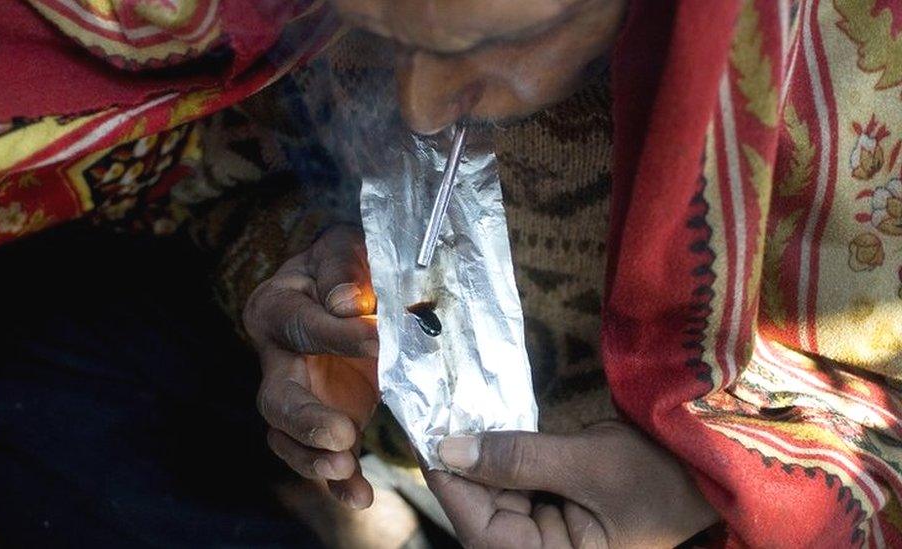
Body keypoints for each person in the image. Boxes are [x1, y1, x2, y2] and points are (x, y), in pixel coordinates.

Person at [238, 0, 902, 546]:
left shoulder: (854, 73)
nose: (419, 108)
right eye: (375, 35)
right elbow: (216, 158)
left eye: (494, 41)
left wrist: (720, 486)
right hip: (398, 471)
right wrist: (300, 259)